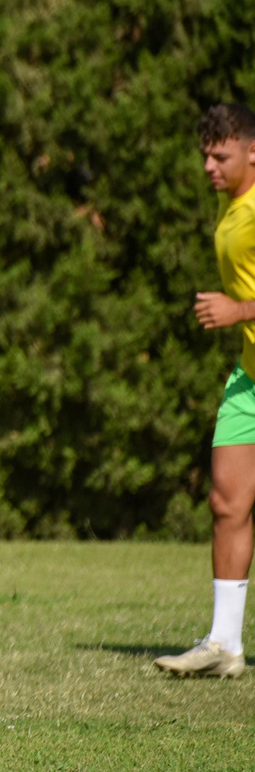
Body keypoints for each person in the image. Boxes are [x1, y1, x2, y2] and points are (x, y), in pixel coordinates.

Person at [156, 103, 255, 679]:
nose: (209, 167)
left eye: (220, 156)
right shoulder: (229, 201)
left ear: (251, 151)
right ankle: (224, 644)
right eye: (205, 157)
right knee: (226, 502)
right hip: (249, 377)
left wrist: (239, 308)